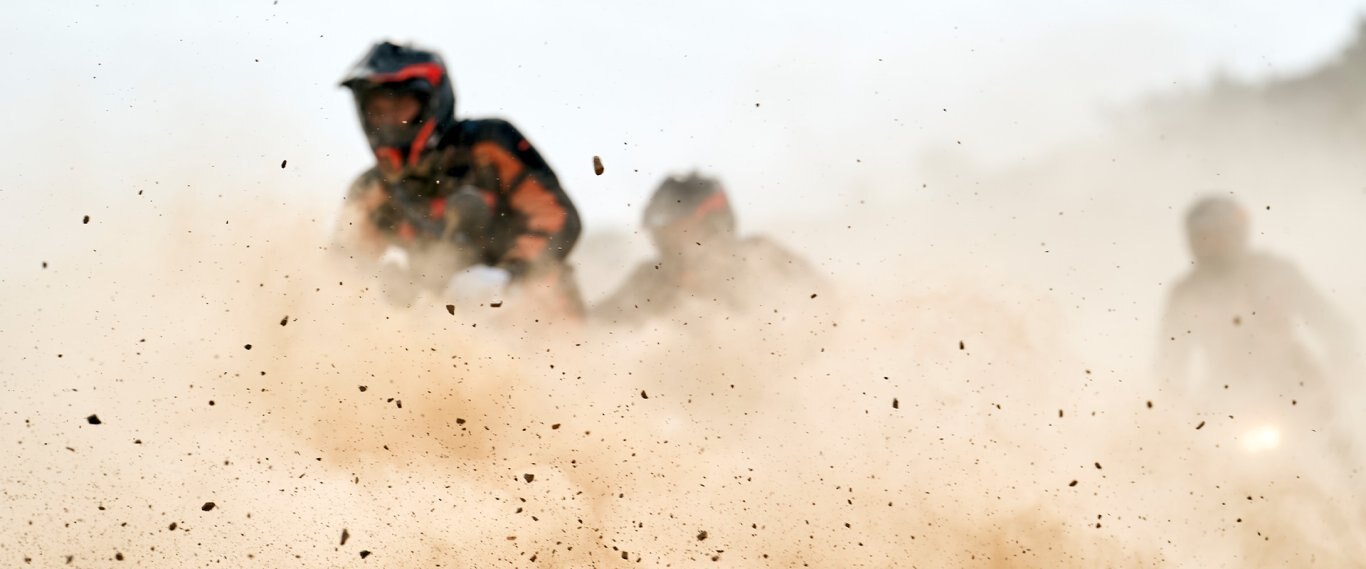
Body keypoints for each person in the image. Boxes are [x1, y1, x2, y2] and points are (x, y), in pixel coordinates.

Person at [332, 41, 583, 317]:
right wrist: (379, 284)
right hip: (446, 328)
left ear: (431, 103)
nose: (390, 120)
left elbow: (557, 219)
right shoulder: (373, 189)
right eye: (378, 110)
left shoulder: (489, 145)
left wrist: (507, 277)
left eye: (400, 105)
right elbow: (340, 274)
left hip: (540, 321)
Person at [1157, 195, 1356, 402]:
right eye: (1203, 236)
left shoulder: (1274, 272)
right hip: (1225, 393)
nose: (1211, 244)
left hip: (1297, 382)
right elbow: (1169, 359)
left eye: (1218, 234)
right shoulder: (1186, 292)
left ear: (1236, 233)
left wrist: (1344, 362)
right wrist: (1170, 403)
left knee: (1328, 414)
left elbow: (1329, 320)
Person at [593, 172, 821, 323]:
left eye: (681, 229)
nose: (672, 240)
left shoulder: (762, 259)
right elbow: (594, 328)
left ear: (714, 223)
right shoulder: (651, 281)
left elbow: (825, 310)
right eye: (665, 232)